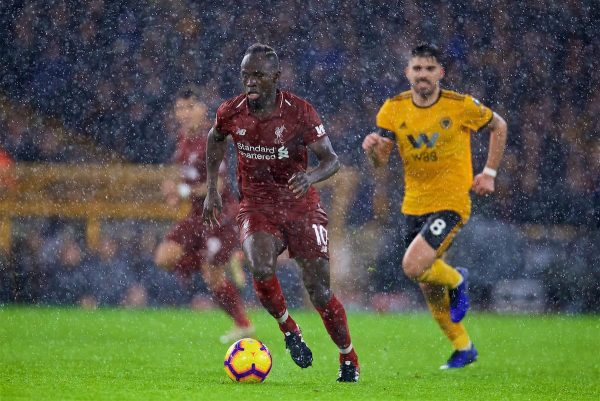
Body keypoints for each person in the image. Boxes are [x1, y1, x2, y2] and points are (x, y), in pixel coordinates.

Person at [203, 44, 360, 382]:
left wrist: (310, 176)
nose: (250, 82)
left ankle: (348, 357)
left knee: (319, 292)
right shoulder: (232, 111)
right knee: (260, 266)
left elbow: (331, 160)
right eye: (246, 75)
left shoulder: (300, 113)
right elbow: (215, 139)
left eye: (257, 75)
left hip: (301, 207)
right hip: (257, 207)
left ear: (276, 77)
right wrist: (212, 190)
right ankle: (289, 330)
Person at [362, 43, 507, 369]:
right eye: (417, 68)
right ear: (407, 73)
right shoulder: (392, 109)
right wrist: (373, 149)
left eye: (429, 69)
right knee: (428, 281)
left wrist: (489, 173)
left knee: (413, 266)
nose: (423, 74)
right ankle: (463, 347)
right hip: (413, 204)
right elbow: (381, 161)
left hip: (451, 202)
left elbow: (499, 125)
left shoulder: (460, 105)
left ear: (440, 73)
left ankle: (458, 279)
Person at [154, 86, 254, 344]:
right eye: (179, 108)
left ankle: (242, 323)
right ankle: (216, 259)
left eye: (190, 107)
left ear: (202, 110)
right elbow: (184, 176)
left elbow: (217, 186)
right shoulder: (182, 140)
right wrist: (174, 191)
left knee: (213, 276)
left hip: (220, 216)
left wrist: (182, 190)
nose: (184, 113)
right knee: (164, 257)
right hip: (197, 215)